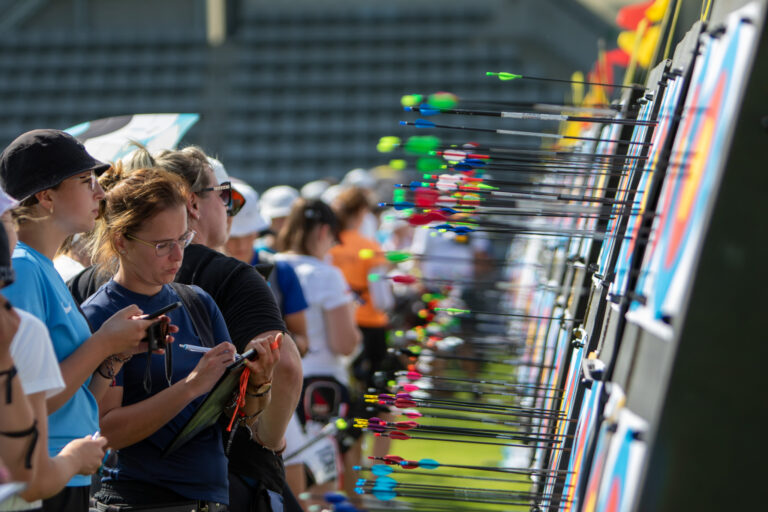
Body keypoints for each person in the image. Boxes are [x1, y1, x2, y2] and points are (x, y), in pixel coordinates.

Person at [82, 166, 280, 510]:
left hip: (211, 499)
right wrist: (191, 386)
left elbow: (244, 416)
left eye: (183, 239)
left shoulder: (198, 301)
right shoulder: (102, 316)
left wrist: (259, 381)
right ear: (121, 242)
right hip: (139, 501)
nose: (178, 256)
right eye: (162, 245)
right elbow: (105, 431)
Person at [0, 129, 156, 512]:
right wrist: (102, 342)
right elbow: (26, 399)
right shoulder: (23, 269)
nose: (100, 192)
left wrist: (112, 357)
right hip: (42, 472)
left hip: (65, 469)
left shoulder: (43, 269)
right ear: (46, 196)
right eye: (86, 181)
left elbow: (70, 396)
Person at [0, 187, 107, 512]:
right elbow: (30, 480)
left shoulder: (40, 269)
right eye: (6, 217)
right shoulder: (20, 327)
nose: (100, 191)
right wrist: (74, 458)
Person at [274, 198, 361, 503]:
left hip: (278, 383)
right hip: (320, 389)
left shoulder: (272, 262)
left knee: (289, 469)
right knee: (321, 483)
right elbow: (344, 343)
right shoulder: (326, 274)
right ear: (324, 231)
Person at [226, 180, 309, 357]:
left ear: (257, 230)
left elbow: (302, 343)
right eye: (233, 236)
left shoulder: (281, 270)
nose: (241, 243)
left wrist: (269, 338)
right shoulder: (206, 272)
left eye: (247, 233)